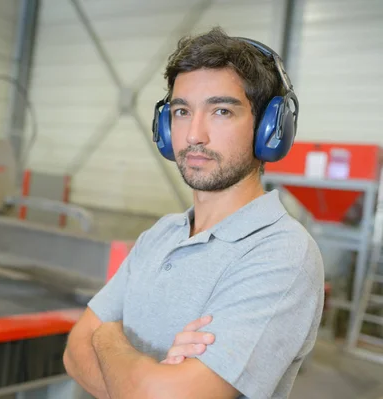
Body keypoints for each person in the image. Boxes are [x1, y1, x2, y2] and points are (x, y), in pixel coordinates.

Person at [63, 27, 325, 399]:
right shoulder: (160, 234)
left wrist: (107, 336)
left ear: (269, 129)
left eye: (221, 110)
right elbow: (75, 352)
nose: (193, 135)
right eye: (182, 111)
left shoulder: (283, 254)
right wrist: (143, 382)